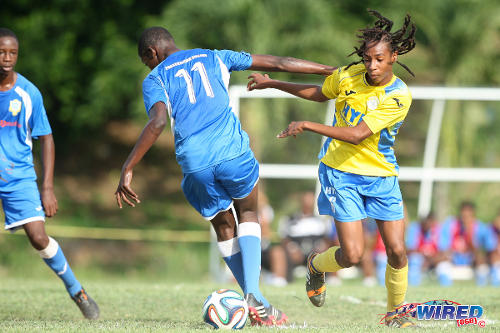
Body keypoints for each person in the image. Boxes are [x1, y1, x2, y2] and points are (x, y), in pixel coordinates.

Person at [114, 26, 334, 326]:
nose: (149, 65)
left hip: (195, 162)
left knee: (224, 225)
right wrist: (329, 70)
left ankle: (257, 302)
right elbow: (280, 63)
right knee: (250, 212)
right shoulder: (214, 56)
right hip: (231, 152)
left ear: (151, 53)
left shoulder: (155, 78)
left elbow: (158, 121)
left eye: (146, 61)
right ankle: (255, 295)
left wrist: (128, 166)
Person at [247, 10, 417, 327]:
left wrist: (309, 125)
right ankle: (316, 264)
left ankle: (395, 315)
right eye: (367, 59)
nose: (373, 66)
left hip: (382, 176)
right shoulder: (349, 76)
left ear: (393, 56)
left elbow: (357, 134)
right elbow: (319, 92)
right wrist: (274, 83)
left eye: (379, 59)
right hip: (340, 173)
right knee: (352, 256)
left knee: (397, 251)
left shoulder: (398, 95)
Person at [0, 28, 99, 319]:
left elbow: (47, 138)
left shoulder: (29, 94)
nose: (7, 58)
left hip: (18, 177)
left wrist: (47, 187)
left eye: (12, 52)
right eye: (1, 52)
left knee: (38, 237)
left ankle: (77, 291)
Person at [437, 201, 497, 286]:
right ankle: (445, 294)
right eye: (463, 216)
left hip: (472, 260)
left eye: (468, 216)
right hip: (453, 259)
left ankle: (480, 293)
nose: (465, 219)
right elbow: (443, 247)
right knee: (442, 267)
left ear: (473, 215)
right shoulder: (450, 225)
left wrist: (469, 234)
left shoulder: (481, 227)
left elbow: (489, 249)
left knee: (483, 269)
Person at [279, 191, 332, 282]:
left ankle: (331, 279)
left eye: (310, 199)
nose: (307, 202)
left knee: (329, 250)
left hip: (316, 252)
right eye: (305, 199)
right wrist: (292, 248)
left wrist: (321, 248)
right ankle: (281, 280)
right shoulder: (289, 219)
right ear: (301, 201)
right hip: (296, 253)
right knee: (279, 252)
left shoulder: (321, 220)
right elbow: (284, 239)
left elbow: (327, 239)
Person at [405, 212, 442, 285]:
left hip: (434, 260)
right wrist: (424, 257)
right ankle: (413, 289)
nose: (428, 224)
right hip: (419, 259)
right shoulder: (414, 228)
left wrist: (432, 260)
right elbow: (409, 250)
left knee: (444, 267)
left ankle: (445, 291)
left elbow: (444, 251)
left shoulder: (438, 230)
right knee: (415, 260)